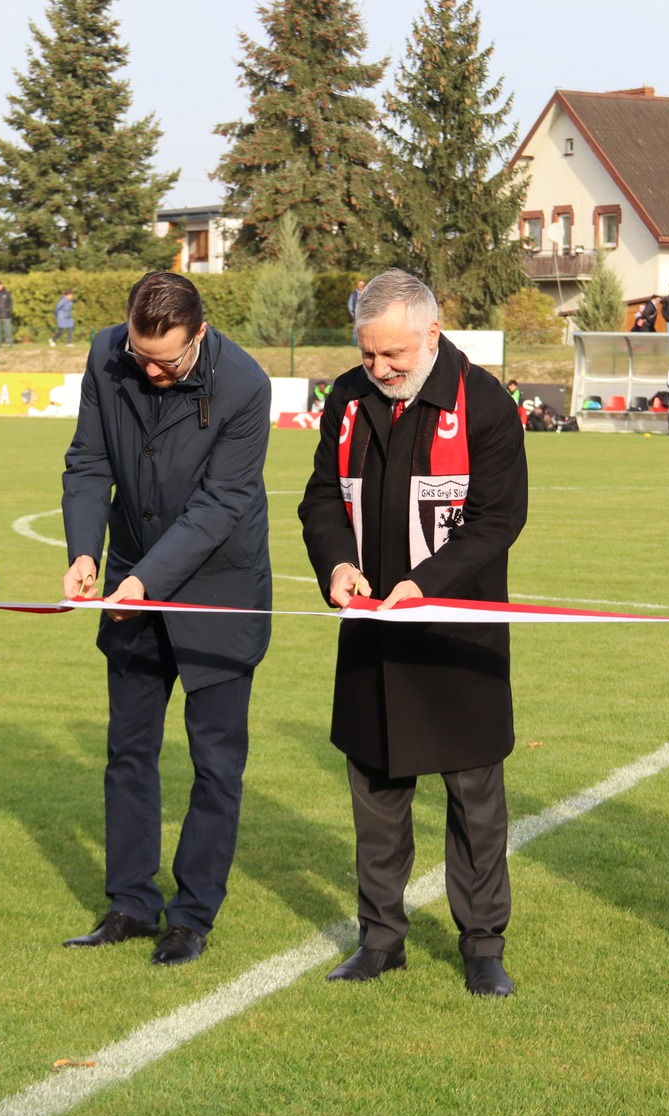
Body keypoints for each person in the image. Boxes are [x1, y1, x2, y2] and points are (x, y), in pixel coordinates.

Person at [300, 269, 529, 998]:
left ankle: (483, 944)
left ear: (433, 332)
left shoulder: (485, 402)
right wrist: (337, 563)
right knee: (375, 792)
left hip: (459, 638)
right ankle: (380, 938)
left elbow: (500, 518)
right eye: (369, 354)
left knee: (475, 801)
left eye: (393, 354)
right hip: (371, 636)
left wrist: (427, 584)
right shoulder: (346, 397)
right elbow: (320, 498)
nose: (380, 369)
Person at [59, 272, 273, 966]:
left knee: (215, 764)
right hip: (128, 579)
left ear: (199, 336)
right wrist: (85, 553)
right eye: (139, 352)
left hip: (219, 589)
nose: (149, 371)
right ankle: (129, 902)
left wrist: (149, 579)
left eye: (167, 362)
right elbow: (89, 463)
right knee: (128, 751)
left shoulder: (245, 384)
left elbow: (221, 504)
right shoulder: (104, 355)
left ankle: (191, 915)